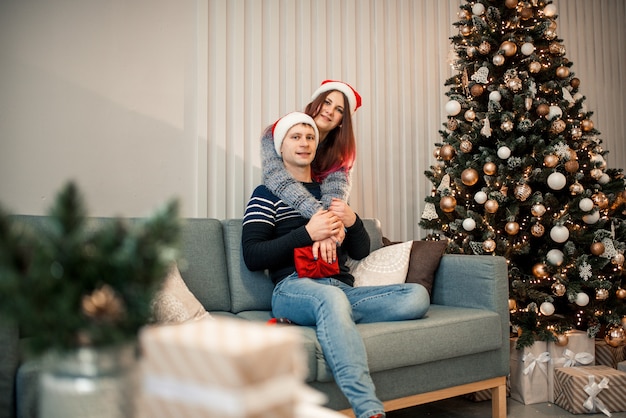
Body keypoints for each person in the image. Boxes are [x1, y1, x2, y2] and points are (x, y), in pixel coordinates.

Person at [242, 112, 430, 418]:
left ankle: (329, 317)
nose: (304, 143)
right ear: (281, 147)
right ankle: (368, 408)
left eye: (310, 137)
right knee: (330, 300)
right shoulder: (266, 195)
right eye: (296, 137)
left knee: (416, 296)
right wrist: (307, 233)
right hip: (294, 287)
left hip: (341, 288)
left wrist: (352, 219)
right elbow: (252, 256)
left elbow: (360, 251)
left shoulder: (332, 195)